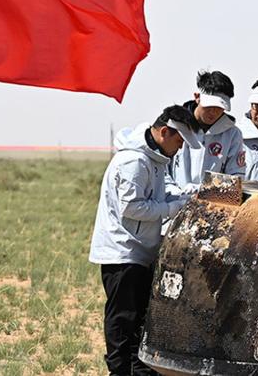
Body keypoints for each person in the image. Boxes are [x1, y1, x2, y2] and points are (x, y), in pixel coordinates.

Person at [88, 105, 200, 376]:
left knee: (137, 317)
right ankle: (119, 370)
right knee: (122, 318)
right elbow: (134, 208)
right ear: (164, 132)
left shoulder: (155, 158)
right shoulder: (134, 162)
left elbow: (160, 195)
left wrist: (184, 197)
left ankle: (137, 369)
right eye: (180, 142)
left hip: (139, 250)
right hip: (123, 252)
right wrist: (175, 208)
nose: (181, 149)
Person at [165, 70, 245, 198]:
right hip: (172, 203)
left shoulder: (233, 134)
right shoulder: (174, 124)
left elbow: (236, 178)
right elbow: (160, 168)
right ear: (197, 97)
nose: (213, 112)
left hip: (212, 207)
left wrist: (205, 189)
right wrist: (171, 189)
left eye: (219, 107)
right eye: (209, 106)